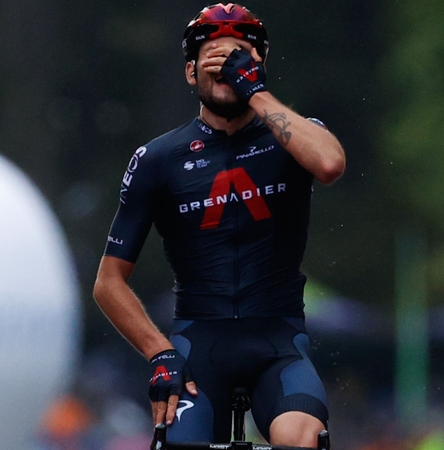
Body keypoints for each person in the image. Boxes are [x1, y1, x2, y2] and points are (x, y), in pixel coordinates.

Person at [92, 3, 346, 447]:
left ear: (259, 68)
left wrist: (256, 92)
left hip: (278, 341)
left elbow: (329, 164)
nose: (229, 72)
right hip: (197, 346)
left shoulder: (295, 137)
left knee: (302, 438)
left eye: (240, 60)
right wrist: (159, 353)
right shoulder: (158, 159)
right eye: (215, 63)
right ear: (191, 74)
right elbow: (108, 282)